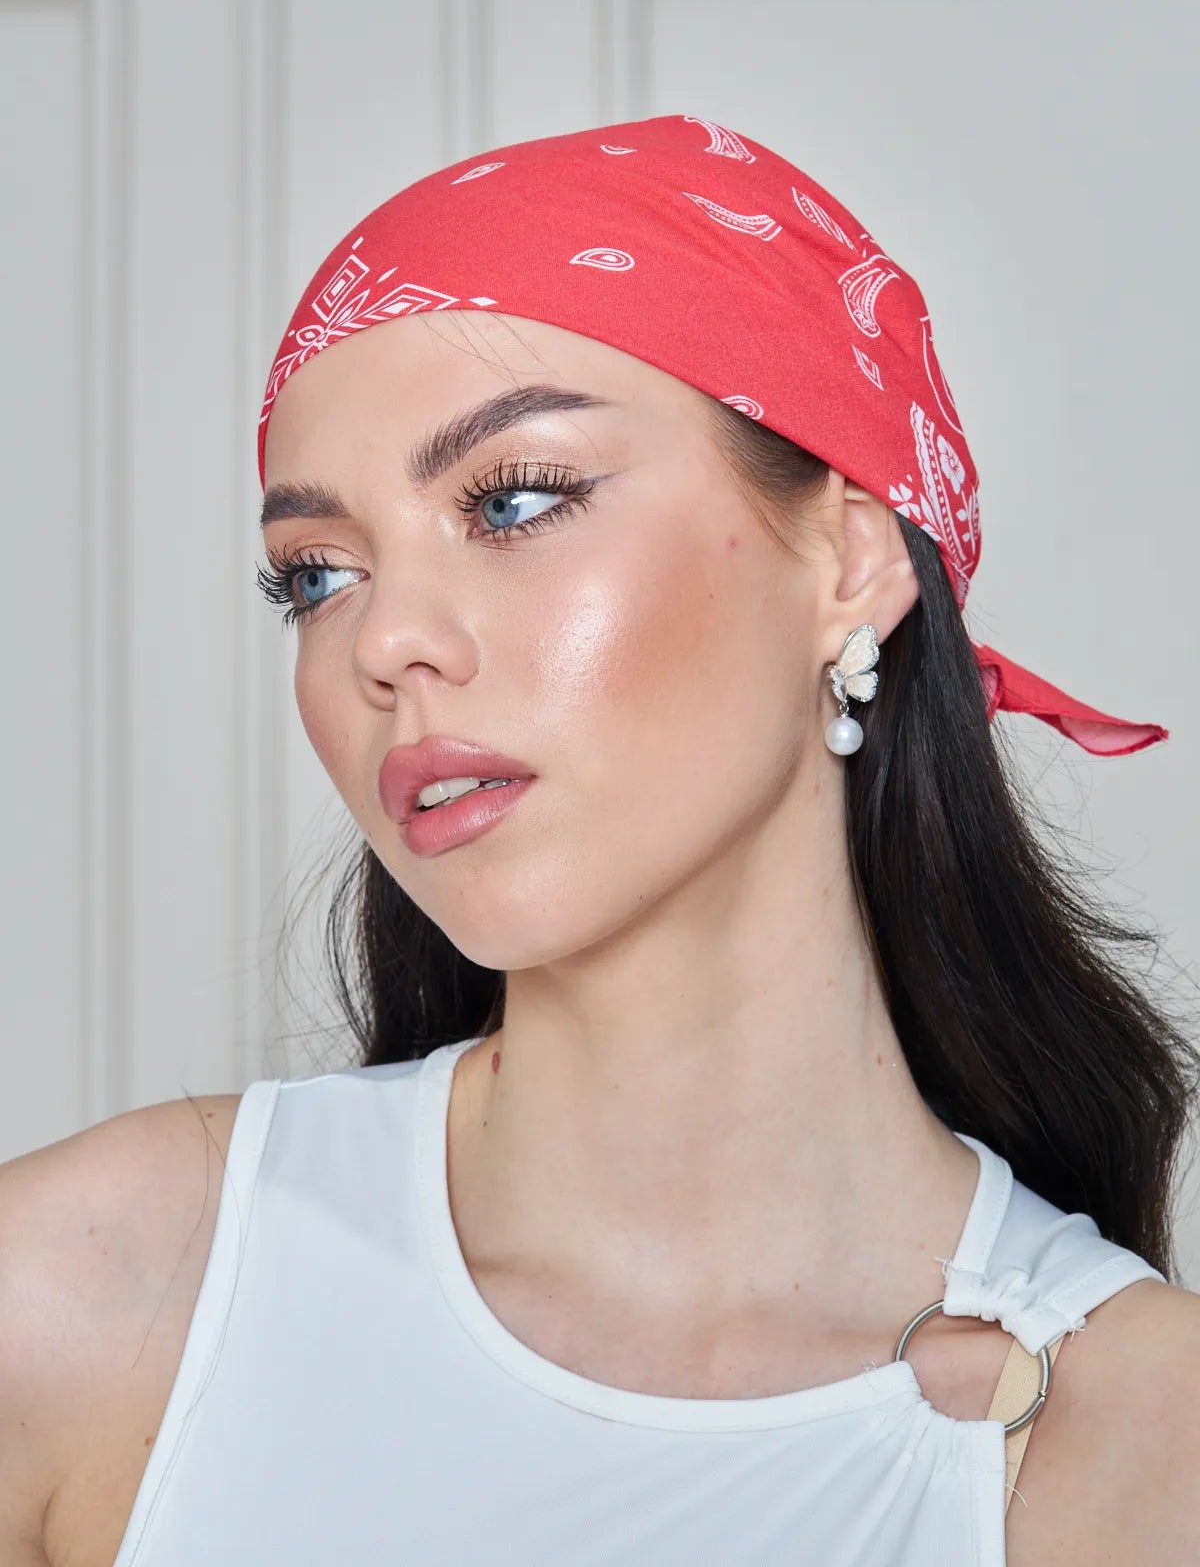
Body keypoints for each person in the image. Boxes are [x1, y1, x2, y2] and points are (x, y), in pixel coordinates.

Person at [2, 115, 1198, 1566]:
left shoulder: (1149, 1449)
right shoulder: (82, 1301)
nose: (385, 640)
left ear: (850, 556)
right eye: (315, 576)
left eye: (513, 501)